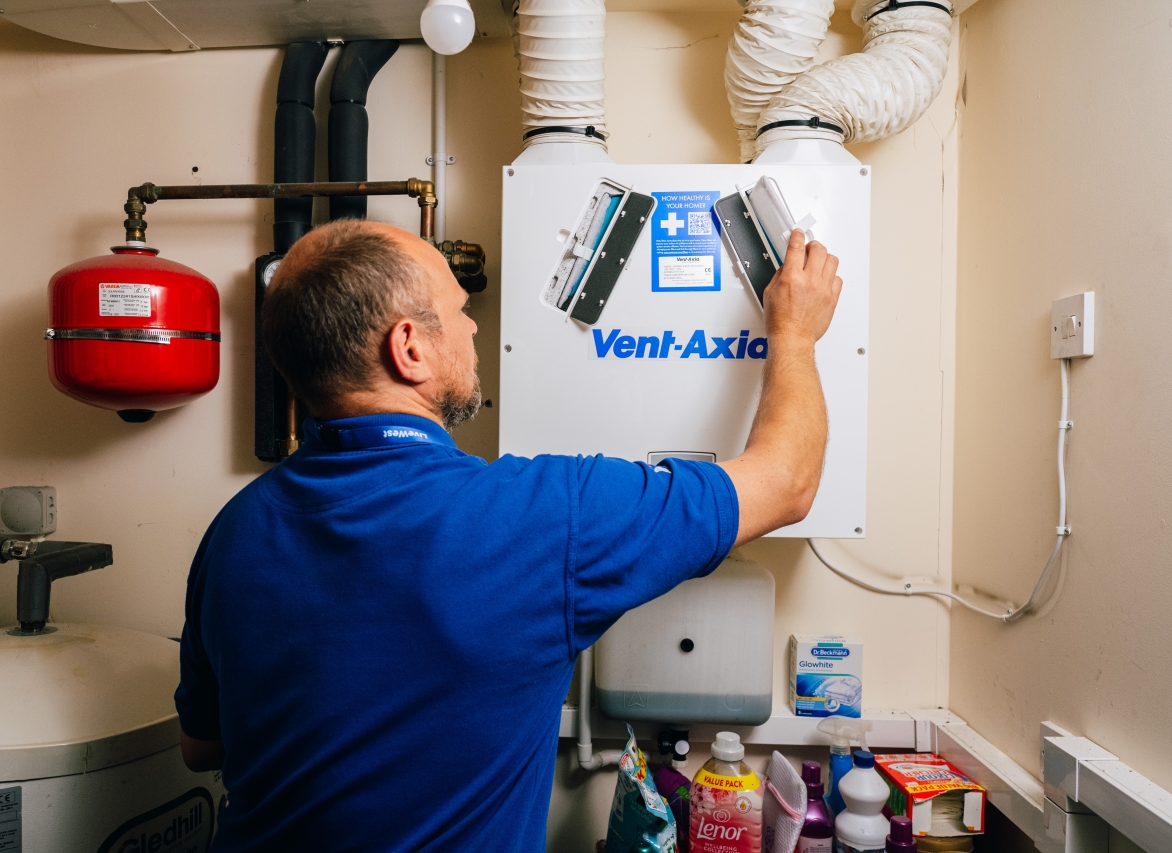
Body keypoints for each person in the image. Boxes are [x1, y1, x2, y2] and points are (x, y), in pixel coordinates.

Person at [175, 219, 842, 852]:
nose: (471, 327)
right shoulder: (543, 518)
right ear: (409, 348)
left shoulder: (233, 533)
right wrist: (796, 337)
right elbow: (786, 482)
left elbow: (203, 745)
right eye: (459, 310)